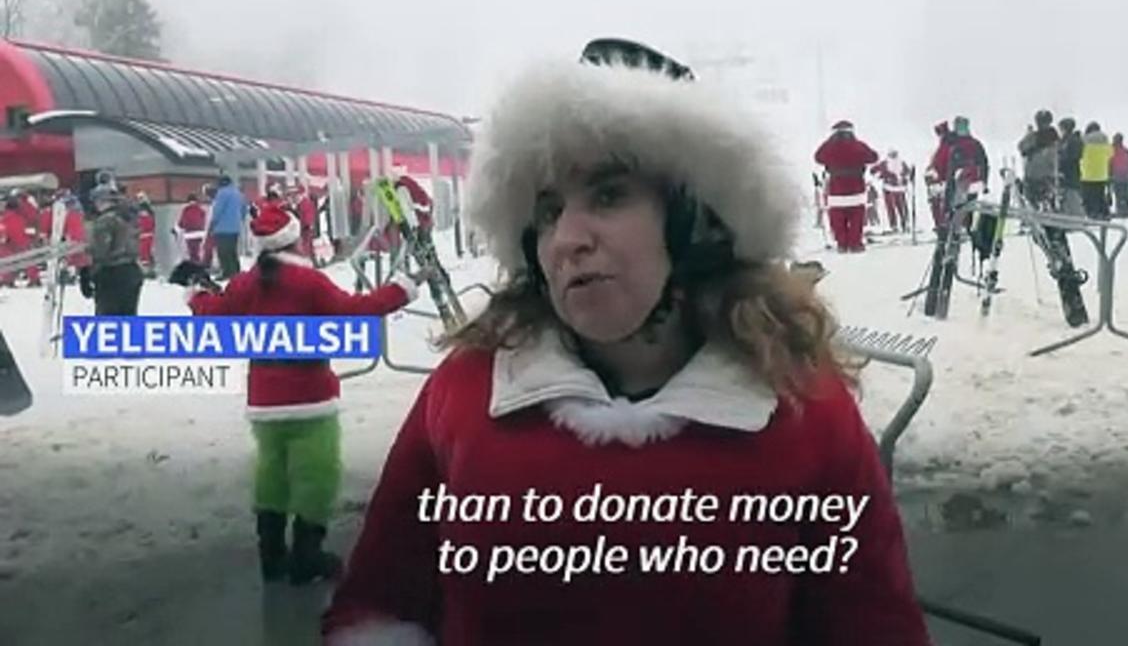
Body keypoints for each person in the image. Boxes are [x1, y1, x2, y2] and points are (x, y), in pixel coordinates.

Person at [321, 41, 929, 645]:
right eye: (550, 211)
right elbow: (379, 601)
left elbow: (873, 623)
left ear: (695, 220)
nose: (568, 239)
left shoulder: (803, 406)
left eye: (609, 195)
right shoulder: (466, 390)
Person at [182, 202, 420, 586]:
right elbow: (354, 311)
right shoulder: (310, 283)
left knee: (271, 475)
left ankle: (272, 556)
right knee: (316, 477)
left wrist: (196, 298)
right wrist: (402, 289)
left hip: (264, 404)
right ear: (295, 240)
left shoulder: (245, 283)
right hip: (311, 401)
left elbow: (215, 314)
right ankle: (307, 555)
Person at [814, 120, 878, 253]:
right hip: (856, 188)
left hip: (836, 189)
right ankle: (855, 244)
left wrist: (829, 142)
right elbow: (873, 157)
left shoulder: (829, 147)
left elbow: (818, 157)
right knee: (857, 218)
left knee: (837, 218)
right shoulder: (859, 146)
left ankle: (842, 244)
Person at [80, 186, 143, 315]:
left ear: (102, 201)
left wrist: (86, 272)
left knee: (107, 321)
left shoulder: (105, 221)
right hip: (132, 270)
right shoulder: (129, 217)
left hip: (112, 274)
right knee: (128, 320)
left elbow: (101, 251)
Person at [1018, 109, 1060, 211]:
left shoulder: (1033, 136)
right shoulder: (1055, 138)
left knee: (1033, 205)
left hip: (1033, 176)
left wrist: (1028, 134)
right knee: (1048, 204)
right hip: (1048, 176)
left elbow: (1021, 147)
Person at [208, 175, 248, 278]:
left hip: (222, 228)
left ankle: (227, 273)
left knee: (223, 252)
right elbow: (244, 210)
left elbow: (217, 211)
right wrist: (240, 220)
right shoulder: (239, 194)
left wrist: (213, 224)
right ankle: (236, 271)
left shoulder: (222, 193)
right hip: (235, 228)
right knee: (232, 251)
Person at [1078, 122, 1112, 220]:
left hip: (1087, 173)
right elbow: (1110, 154)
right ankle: (1104, 213)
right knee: (1100, 195)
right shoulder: (1105, 140)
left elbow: (1080, 154)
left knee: (1088, 195)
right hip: (1102, 174)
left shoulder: (1084, 140)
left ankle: (1092, 214)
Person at [872, 150, 911, 233]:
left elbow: (908, 173)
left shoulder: (901, 163)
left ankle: (905, 224)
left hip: (900, 189)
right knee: (891, 208)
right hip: (888, 188)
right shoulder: (884, 163)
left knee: (902, 207)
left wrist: (906, 178)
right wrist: (880, 176)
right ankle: (894, 225)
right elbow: (873, 171)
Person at [1057, 117, 1085, 216]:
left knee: (1071, 198)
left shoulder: (1070, 141)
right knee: (1069, 198)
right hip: (1071, 174)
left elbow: (1070, 157)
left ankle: (1075, 218)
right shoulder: (1070, 140)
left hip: (1069, 174)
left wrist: (1060, 158)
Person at [1108, 133, 1128, 218]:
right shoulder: (1126, 151)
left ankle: (1121, 211)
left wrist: (1109, 175)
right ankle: (1127, 211)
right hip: (1125, 177)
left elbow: (1109, 163)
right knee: (1125, 195)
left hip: (1116, 177)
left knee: (1119, 195)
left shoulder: (1111, 150)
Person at [175, 192, 208, 262]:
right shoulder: (201, 210)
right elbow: (204, 222)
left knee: (192, 252)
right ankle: (199, 264)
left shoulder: (186, 210)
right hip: (200, 233)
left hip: (189, 234)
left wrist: (176, 230)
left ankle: (194, 265)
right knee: (197, 251)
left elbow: (181, 222)